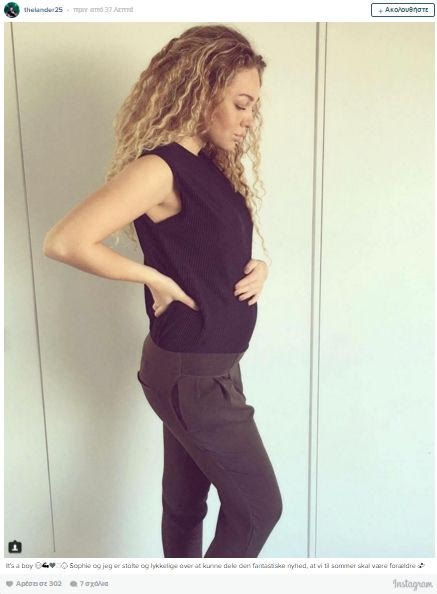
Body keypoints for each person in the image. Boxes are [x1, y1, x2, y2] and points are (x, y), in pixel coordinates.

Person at [43, 24, 282, 558]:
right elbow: (65, 241)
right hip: (191, 373)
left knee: (185, 506)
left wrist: (258, 267)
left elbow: (211, 250)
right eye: (241, 103)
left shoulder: (208, 166)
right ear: (202, 91)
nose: (250, 118)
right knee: (259, 509)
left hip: (209, 369)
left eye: (253, 107)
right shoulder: (159, 168)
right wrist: (152, 276)